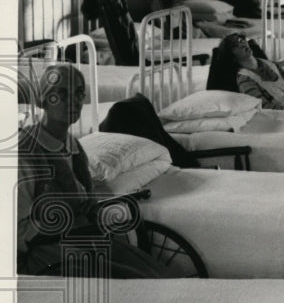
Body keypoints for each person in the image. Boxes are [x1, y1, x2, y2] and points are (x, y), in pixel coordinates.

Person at [16, 65, 174, 277]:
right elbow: (17, 230)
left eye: (79, 93)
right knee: (136, 279)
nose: (73, 101)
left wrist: (88, 208)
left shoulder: (72, 146)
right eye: (61, 94)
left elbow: (80, 196)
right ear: (42, 100)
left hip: (80, 236)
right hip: (47, 250)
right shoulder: (26, 152)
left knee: (154, 271)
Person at [214, 33, 284, 110]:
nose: (243, 44)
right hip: (281, 117)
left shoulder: (272, 64)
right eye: (236, 45)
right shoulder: (245, 78)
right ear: (232, 56)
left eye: (242, 40)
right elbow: (263, 106)